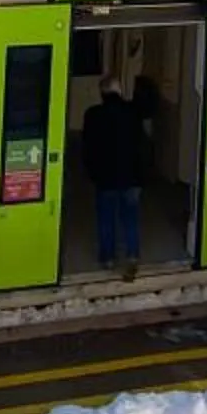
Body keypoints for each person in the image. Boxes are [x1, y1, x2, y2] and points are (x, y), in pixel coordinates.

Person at [79, 79, 148, 279]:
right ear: (119, 90)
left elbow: (88, 148)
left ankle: (108, 258)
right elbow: (142, 146)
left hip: (105, 177)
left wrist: (90, 172)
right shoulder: (133, 113)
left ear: (102, 93)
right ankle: (132, 255)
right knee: (131, 218)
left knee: (106, 219)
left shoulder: (93, 115)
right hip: (132, 176)